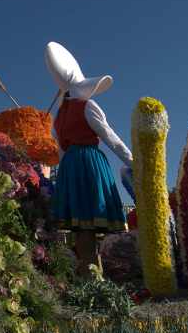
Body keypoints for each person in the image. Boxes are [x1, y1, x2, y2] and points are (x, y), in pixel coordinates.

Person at [44, 42, 132, 277]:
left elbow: (60, 151)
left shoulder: (59, 117)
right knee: (93, 218)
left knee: (82, 223)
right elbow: (110, 137)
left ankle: (88, 272)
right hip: (90, 163)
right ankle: (95, 275)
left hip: (71, 166)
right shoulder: (87, 106)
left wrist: (63, 177)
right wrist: (134, 161)